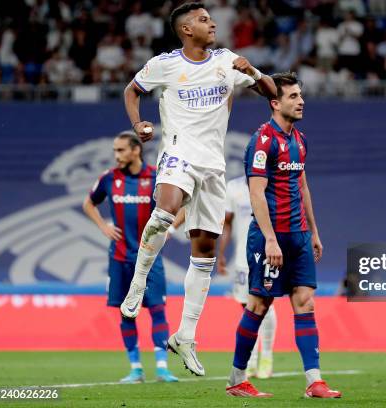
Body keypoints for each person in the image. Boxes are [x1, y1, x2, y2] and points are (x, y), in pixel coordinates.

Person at [120, 1, 276, 377]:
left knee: (204, 250)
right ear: (186, 29)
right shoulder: (165, 64)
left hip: (213, 166)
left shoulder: (227, 61)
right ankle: (137, 283)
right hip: (178, 152)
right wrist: (139, 123)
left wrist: (251, 71)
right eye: (204, 20)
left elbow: (271, 92)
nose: (213, 24)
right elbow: (131, 90)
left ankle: (186, 335)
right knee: (166, 208)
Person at [225, 72, 341, 398]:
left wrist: (314, 232)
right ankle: (237, 379)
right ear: (275, 103)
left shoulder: (299, 140)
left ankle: (314, 381)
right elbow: (256, 194)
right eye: (292, 96)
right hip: (269, 238)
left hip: (299, 236)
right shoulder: (262, 141)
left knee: (305, 302)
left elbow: (302, 186)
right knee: (259, 304)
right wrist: (271, 239)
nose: (301, 101)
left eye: (300, 96)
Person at [82, 131, 181, 383]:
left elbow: (182, 206)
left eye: (120, 150)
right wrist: (103, 227)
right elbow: (88, 203)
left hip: (150, 259)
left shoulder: (157, 178)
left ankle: (162, 368)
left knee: (158, 310)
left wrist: (171, 229)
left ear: (136, 150)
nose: (116, 155)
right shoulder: (109, 179)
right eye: (115, 151)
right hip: (120, 258)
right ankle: (135, 368)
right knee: (126, 313)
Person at [217, 176, 277, 379]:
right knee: (246, 305)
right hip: (243, 256)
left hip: (268, 252)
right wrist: (222, 252)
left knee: (265, 303)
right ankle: (250, 361)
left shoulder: (272, 183)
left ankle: (266, 357)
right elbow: (227, 224)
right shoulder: (233, 187)